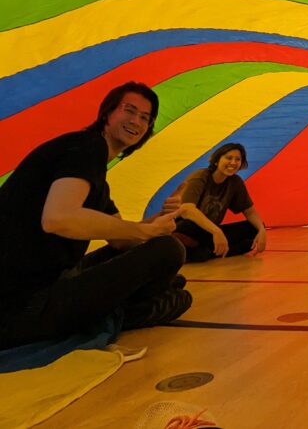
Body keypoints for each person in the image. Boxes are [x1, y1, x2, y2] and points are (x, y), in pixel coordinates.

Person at [0, 82, 190, 350]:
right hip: (20, 304)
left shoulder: (94, 177)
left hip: (47, 286)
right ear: (107, 113)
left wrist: (157, 220)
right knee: (169, 252)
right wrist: (146, 233)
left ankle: (124, 307)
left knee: (166, 269)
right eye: (130, 110)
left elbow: (122, 241)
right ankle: (122, 312)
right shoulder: (87, 146)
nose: (136, 121)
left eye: (145, 118)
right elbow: (58, 218)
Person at [167, 143, 268, 262]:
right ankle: (209, 251)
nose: (233, 162)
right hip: (187, 228)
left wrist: (262, 230)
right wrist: (216, 231)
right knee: (187, 226)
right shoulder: (200, 176)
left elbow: (249, 212)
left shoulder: (235, 182)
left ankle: (207, 251)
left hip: (209, 233)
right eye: (229, 158)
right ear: (216, 161)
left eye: (238, 159)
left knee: (253, 228)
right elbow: (186, 210)